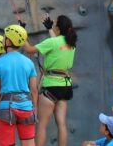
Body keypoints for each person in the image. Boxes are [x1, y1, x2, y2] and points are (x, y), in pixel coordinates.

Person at [22, 14, 77, 146]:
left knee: (41, 125)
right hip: (65, 86)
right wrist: (49, 29)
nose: (52, 23)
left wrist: (22, 32)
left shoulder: (52, 42)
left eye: (54, 23)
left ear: (58, 28)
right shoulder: (71, 43)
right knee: (62, 124)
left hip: (51, 86)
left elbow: (29, 50)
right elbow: (58, 44)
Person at [0, 25, 38, 146]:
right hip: (26, 107)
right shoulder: (29, 62)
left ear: (9, 41)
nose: (3, 39)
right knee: (29, 143)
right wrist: (34, 109)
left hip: (6, 108)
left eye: (4, 37)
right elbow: (34, 90)